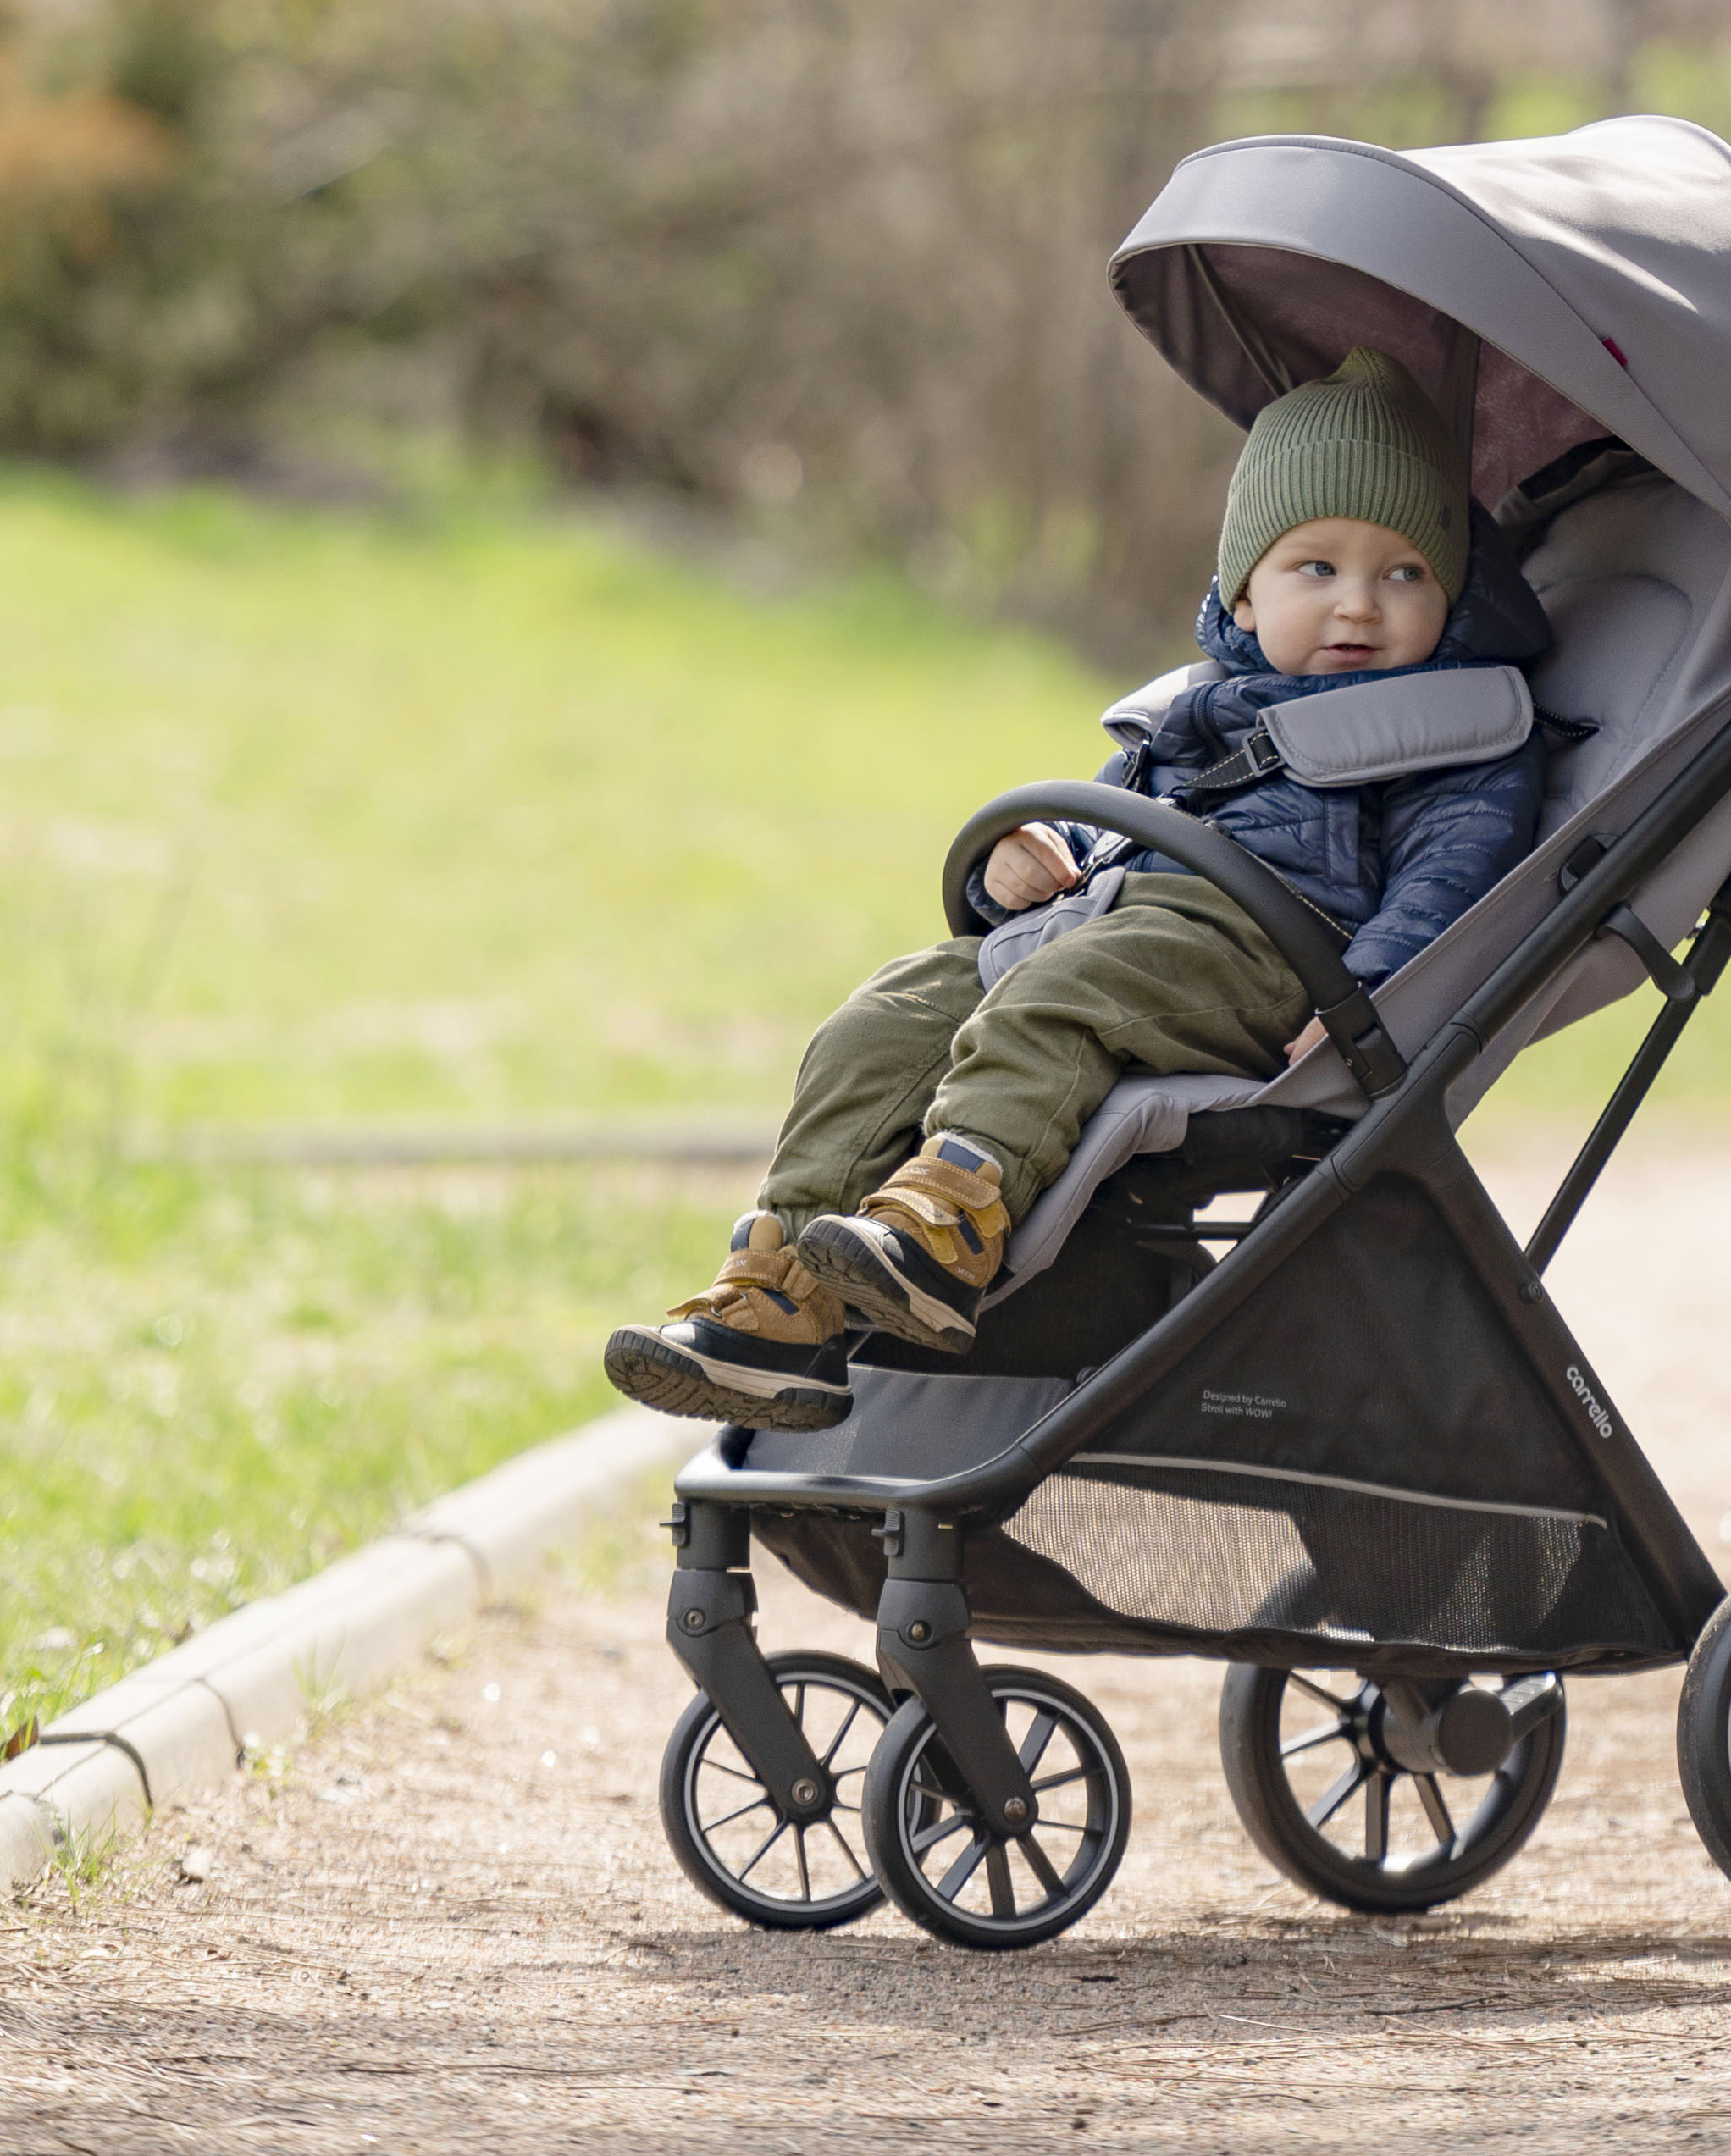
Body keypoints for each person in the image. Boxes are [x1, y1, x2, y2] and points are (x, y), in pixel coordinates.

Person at [603, 346, 1549, 1421]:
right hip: (1112, 928)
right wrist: (1024, 866)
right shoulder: (1192, 713)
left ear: (1450, 589)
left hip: (1276, 962)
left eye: (1404, 573)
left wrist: (1377, 999)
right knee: (888, 1011)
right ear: (1243, 594)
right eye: (1315, 569)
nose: (1358, 607)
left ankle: (950, 1220)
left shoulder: (1455, 733)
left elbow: (1449, 884)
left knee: (1073, 991)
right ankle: (782, 1301)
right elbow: (1111, 823)